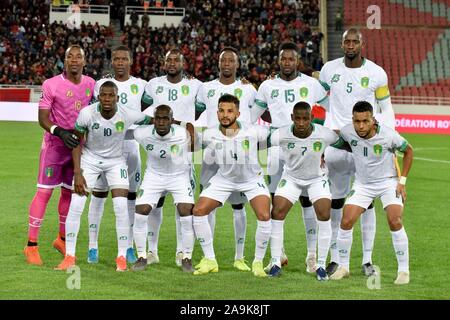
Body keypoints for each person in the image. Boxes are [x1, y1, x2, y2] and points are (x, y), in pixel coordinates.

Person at [319, 28, 396, 276]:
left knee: (368, 202)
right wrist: (331, 126)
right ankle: (336, 258)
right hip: (339, 145)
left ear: (361, 44)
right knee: (337, 202)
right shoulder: (329, 69)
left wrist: (387, 141)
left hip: (367, 147)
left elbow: (386, 109)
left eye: (355, 41)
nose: (350, 45)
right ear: (342, 44)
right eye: (347, 41)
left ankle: (366, 260)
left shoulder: (376, 73)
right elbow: (317, 96)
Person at [54, 81, 152, 271]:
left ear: (117, 97)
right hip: (90, 161)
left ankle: (121, 257)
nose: (107, 99)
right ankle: (70, 256)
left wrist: (181, 124)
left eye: (111, 95)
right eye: (104, 95)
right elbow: (76, 141)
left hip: (116, 162)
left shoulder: (128, 113)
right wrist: (77, 172)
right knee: (76, 206)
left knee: (120, 206)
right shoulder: (87, 113)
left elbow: (153, 120)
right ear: (98, 97)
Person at [251, 42, 329, 273]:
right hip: (277, 148)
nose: (287, 62)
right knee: (277, 203)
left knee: (309, 202)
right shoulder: (267, 85)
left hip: (306, 148)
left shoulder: (311, 84)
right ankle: (280, 254)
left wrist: (319, 142)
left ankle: (312, 256)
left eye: (291, 59)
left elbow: (326, 110)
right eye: (283, 59)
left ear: (297, 61)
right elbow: (253, 113)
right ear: (279, 61)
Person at [24, 45, 95, 265]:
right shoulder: (51, 84)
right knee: (44, 193)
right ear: (64, 61)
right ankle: (31, 246)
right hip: (54, 148)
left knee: (68, 194)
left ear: (85, 61)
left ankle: (61, 239)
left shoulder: (91, 84)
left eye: (78, 57)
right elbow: (43, 118)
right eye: (69, 57)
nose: (74, 60)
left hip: (77, 150)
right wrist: (60, 132)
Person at [330, 101, 412, 285]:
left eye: (365, 121)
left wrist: (402, 181)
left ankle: (404, 271)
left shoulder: (389, 135)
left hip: (388, 182)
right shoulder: (348, 131)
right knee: (346, 220)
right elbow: (341, 142)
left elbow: (408, 151)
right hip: (363, 184)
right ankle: (344, 267)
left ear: (372, 119)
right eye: (357, 121)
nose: (360, 126)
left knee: (394, 220)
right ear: (353, 120)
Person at [193, 94, 271, 277]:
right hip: (224, 179)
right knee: (198, 211)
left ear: (238, 113)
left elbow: (283, 135)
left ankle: (258, 262)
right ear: (217, 112)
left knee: (264, 215)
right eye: (221, 110)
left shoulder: (254, 131)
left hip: (252, 179)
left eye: (230, 111)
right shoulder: (209, 134)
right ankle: (210, 260)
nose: (225, 115)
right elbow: (191, 146)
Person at [194, 47, 258, 271]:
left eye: (232, 60)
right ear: (219, 64)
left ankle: (239, 257)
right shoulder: (206, 88)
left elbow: (259, 113)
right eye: (224, 60)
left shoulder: (248, 89)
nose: (228, 64)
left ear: (237, 65)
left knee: (239, 206)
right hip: (212, 150)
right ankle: (208, 257)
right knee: (206, 203)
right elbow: (193, 111)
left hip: (239, 153)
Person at [86, 45, 147, 265]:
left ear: (130, 61)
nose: (120, 62)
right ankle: (93, 247)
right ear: (112, 62)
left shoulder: (141, 86)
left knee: (130, 197)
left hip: (130, 147)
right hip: (104, 146)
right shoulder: (100, 85)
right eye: (117, 59)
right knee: (99, 195)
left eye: (124, 59)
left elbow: (150, 110)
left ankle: (128, 246)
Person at [141, 48, 201, 266]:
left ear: (183, 64)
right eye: (169, 60)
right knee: (155, 204)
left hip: (182, 155)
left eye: (177, 60)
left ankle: (180, 252)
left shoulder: (196, 85)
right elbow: (143, 110)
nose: (173, 63)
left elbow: (205, 107)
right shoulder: (153, 84)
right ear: (163, 63)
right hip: (158, 152)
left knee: (182, 206)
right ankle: (152, 251)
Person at [267, 102, 339, 281]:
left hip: (317, 179)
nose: (301, 123)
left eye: (305, 118)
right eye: (297, 118)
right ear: (292, 118)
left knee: (324, 214)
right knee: (277, 212)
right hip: (291, 178)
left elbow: (343, 142)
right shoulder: (281, 134)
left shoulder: (324, 134)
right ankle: (276, 262)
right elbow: (259, 143)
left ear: (311, 118)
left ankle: (321, 265)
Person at [130, 105, 197, 273]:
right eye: (157, 118)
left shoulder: (182, 134)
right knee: (140, 213)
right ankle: (142, 257)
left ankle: (186, 257)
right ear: (153, 119)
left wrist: (187, 125)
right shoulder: (143, 133)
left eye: (165, 118)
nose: (161, 122)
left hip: (179, 176)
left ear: (171, 120)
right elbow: (129, 124)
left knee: (186, 212)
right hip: (154, 176)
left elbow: (195, 146)